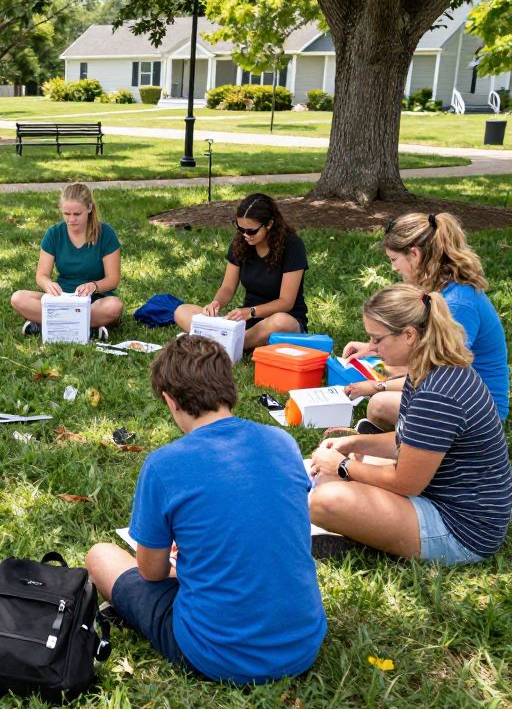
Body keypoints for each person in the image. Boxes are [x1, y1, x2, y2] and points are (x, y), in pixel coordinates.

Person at [85, 336, 326, 684]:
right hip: (302, 643)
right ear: (229, 386)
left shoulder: (163, 465)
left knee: (101, 555)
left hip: (216, 652)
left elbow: (151, 573)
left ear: (170, 400)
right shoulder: (283, 443)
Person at [309, 284, 511, 565]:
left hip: (462, 530)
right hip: (442, 497)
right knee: (325, 477)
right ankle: (368, 531)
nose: (373, 348)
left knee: (325, 499)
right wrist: (353, 443)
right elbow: (409, 441)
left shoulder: (437, 393)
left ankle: (369, 539)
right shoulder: (431, 370)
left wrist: (343, 465)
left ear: (409, 335)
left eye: (377, 339)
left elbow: (406, 482)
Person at [342, 212, 508, 431]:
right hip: (455, 394)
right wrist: (374, 348)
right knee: (388, 372)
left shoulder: (458, 304)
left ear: (414, 254)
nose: (394, 268)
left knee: (379, 405)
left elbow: (439, 376)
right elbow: (422, 354)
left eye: (394, 260)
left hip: (480, 410)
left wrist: (377, 386)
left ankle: (398, 449)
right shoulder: (442, 289)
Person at [173, 193, 308, 350]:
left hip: (283, 319)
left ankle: (225, 344)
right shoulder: (241, 243)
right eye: (240, 228)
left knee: (280, 322)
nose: (245, 235)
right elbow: (227, 288)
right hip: (246, 320)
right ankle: (228, 341)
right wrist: (216, 303)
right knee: (181, 311)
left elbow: (286, 302)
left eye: (251, 231)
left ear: (269, 224)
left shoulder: (292, 245)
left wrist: (250, 312)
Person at [10, 183, 123, 340]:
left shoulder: (106, 233)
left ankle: (50, 326)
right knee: (18, 298)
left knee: (114, 306)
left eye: (77, 214)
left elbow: (113, 279)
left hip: (93, 301)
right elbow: (41, 275)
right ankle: (87, 329)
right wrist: (47, 284)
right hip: (61, 299)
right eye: (67, 214)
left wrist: (94, 286)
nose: (71, 220)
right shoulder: (54, 233)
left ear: (89, 208)